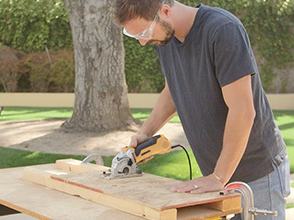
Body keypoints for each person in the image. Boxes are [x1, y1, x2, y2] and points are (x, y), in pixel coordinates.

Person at [114, 0, 290, 219]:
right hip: (219, 174)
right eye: (135, 35)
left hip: (257, 174)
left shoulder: (222, 30)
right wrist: (144, 133)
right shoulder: (165, 40)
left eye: (144, 31)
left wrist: (218, 176)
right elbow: (172, 90)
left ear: (166, 11)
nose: (142, 41)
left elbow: (243, 110)